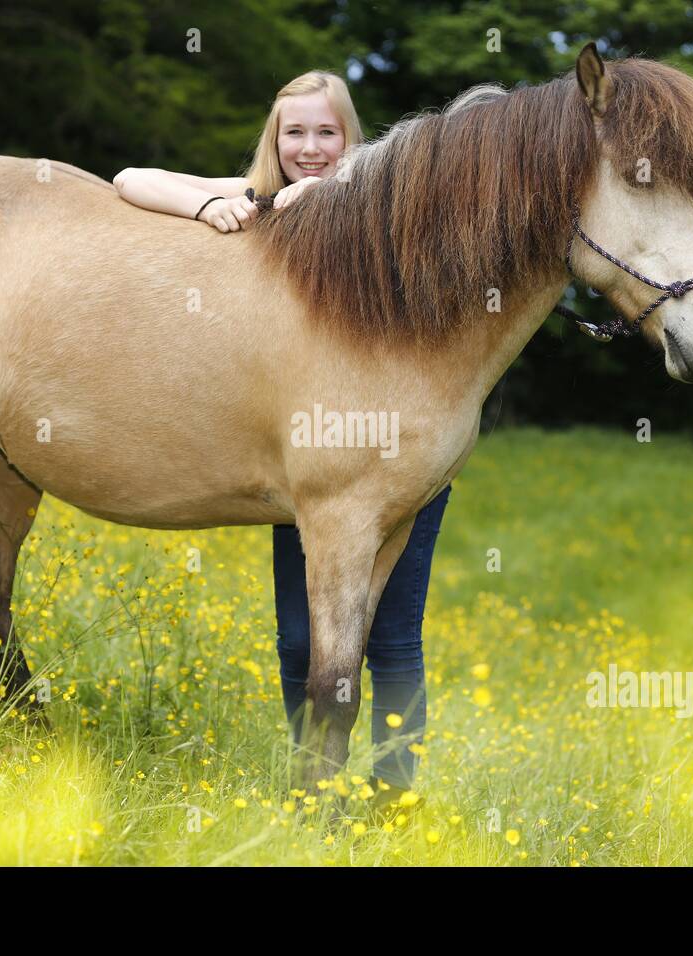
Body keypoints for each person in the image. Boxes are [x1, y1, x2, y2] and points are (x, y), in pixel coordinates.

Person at [113, 70, 452, 799]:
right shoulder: (257, 194)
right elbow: (129, 176)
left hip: (399, 451)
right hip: (313, 449)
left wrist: (336, 191)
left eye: (325, 132)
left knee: (392, 639)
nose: (309, 147)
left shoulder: (381, 193)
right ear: (275, 137)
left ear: (349, 137)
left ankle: (397, 790)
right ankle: (316, 783)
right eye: (294, 131)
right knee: (304, 640)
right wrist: (212, 204)